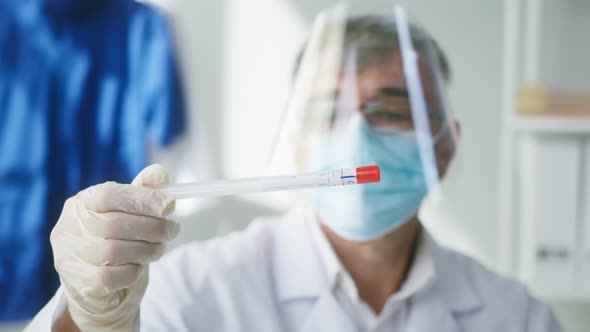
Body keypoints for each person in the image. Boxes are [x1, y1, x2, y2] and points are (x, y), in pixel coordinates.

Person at [26, 3, 562, 331]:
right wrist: (90, 317)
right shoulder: (193, 290)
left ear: (445, 147)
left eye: (393, 109)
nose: (359, 134)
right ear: (299, 146)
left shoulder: (516, 318)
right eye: (329, 111)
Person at [0, 0, 186, 321]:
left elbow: (170, 128)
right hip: (20, 254)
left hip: (102, 265)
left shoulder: (142, 29)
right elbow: (168, 126)